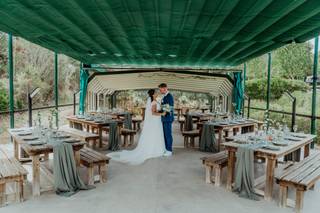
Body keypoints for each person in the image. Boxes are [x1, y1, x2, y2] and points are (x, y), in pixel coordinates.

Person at [107, 89, 166, 165]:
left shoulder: (154, 100)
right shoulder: (154, 102)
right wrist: (162, 114)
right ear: (153, 94)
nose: (158, 93)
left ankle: (153, 148)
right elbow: (153, 113)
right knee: (154, 134)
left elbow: (154, 111)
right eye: (156, 92)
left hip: (155, 121)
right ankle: (154, 150)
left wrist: (160, 110)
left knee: (153, 134)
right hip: (155, 121)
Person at [158, 83, 174, 156]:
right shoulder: (164, 96)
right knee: (165, 134)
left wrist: (162, 111)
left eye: (160, 89)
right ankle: (166, 149)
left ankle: (169, 150)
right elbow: (164, 107)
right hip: (164, 118)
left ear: (164, 88)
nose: (160, 91)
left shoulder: (169, 96)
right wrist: (159, 110)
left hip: (167, 118)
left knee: (168, 134)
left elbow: (169, 108)